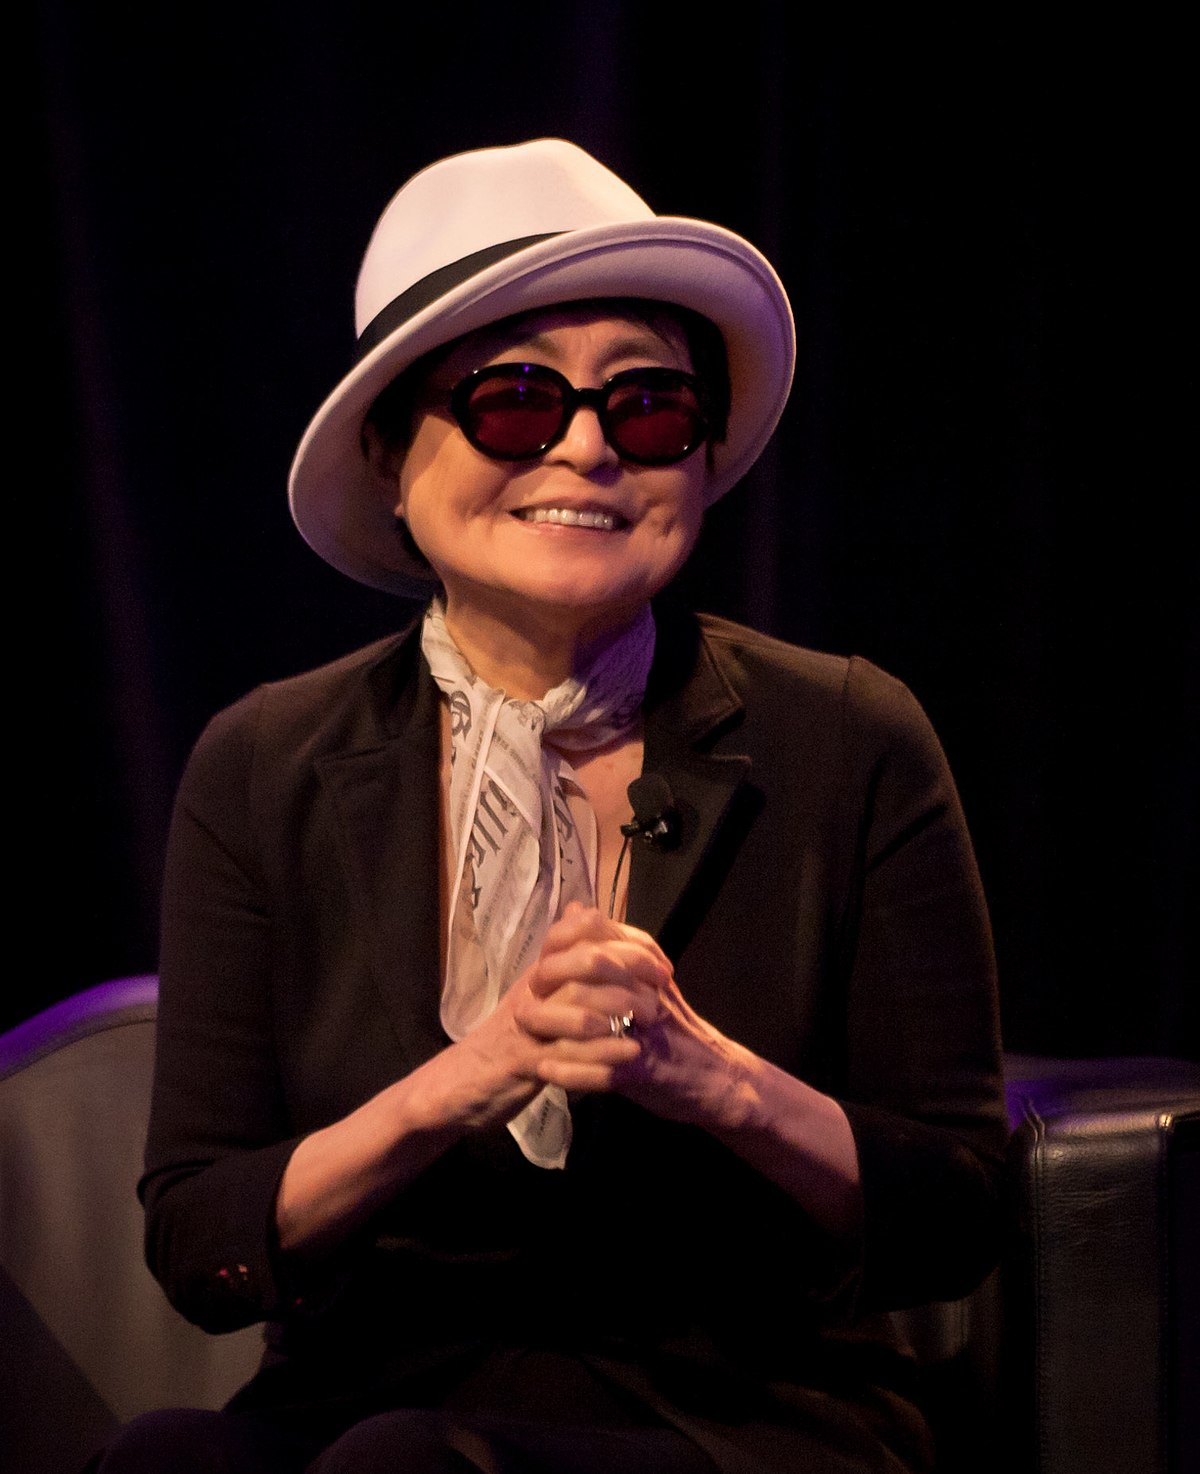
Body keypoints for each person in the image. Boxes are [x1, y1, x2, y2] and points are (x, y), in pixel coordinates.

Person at [93, 139, 1007, 1473]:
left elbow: (961, 1215)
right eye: (517, 401)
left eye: (647, 408)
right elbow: (201, 1242)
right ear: (391, 454)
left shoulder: (849, 737)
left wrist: (718, 1082)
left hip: (740, 1416)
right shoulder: (265, 761)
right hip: (361, 1397)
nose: (586, 446)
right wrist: (464, 1079)